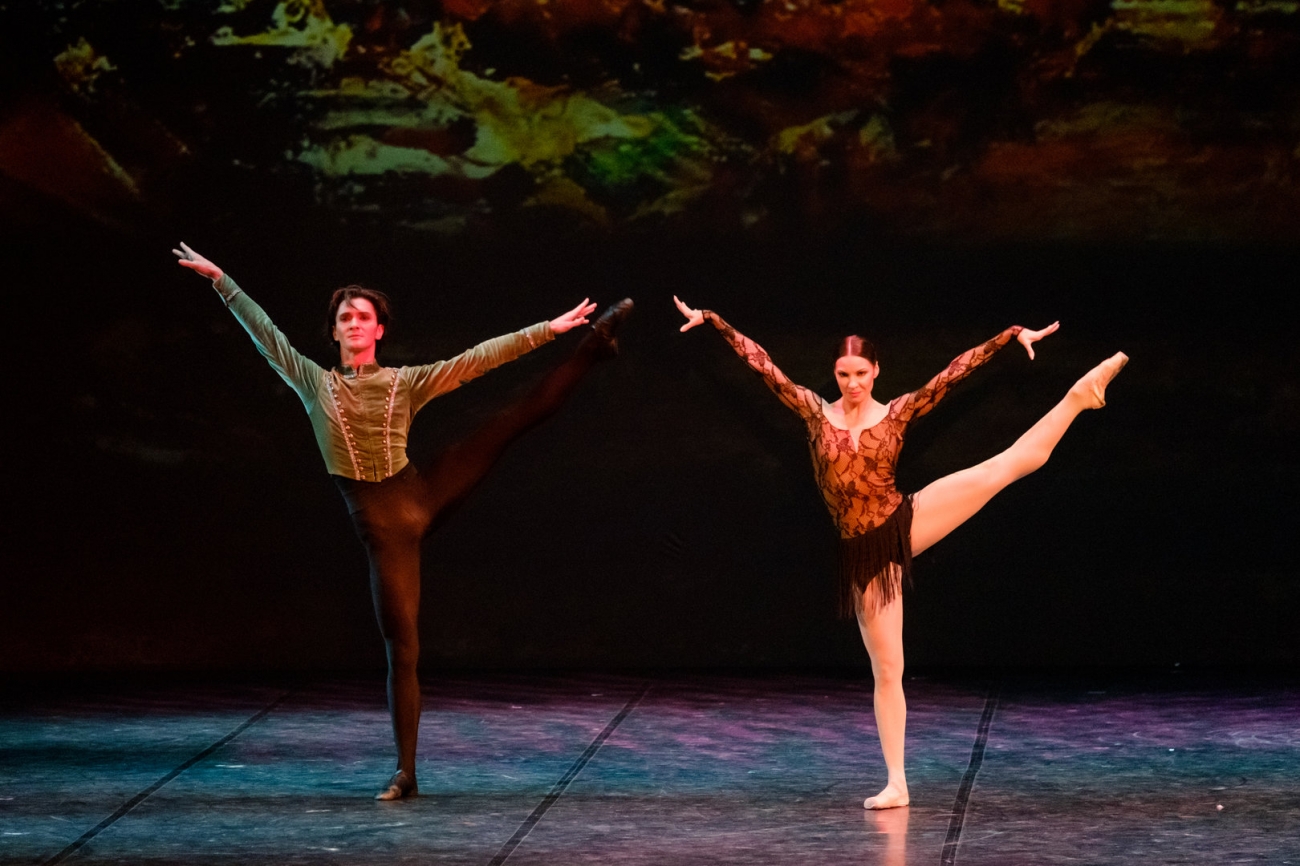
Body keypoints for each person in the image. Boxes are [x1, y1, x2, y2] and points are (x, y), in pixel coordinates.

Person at [176, 242, 632, 800]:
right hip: (388, 533)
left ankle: (594, 346)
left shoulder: (403, 382)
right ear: (335, 333)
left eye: (363, 316)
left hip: (422, 493)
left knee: (509, 421)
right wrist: (222, 280)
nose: (354, 323)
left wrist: (549, 329)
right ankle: (406, 773)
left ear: (379, 330)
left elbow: (478, 359)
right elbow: (266, 335)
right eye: (345, 317)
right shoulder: (315, 383)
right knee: (403, 648)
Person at [673, 295, 1126, 810]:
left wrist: (1008, 335)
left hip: (903, 521)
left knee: (1002, 467)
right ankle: (897, 783)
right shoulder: (813, 412)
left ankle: (1078, 396)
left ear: (876, 372)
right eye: (844, 374)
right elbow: (764, 368)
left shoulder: (896, 414)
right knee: (888, 670)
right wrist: (714, 322)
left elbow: (952, 375)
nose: (852, 383)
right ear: (835, 374)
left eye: (861, 373)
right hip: (863, 554)